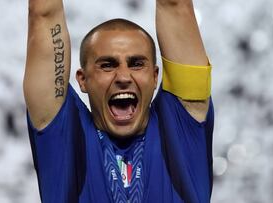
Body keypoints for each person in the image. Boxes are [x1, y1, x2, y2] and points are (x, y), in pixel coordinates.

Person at [23, 0, 214, 202]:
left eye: (137, 64)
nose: (123, 77)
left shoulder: (182, 126)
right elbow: (43, 15)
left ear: (155, 76)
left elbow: (175, 5)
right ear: (83, 79)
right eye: (107, 65)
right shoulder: (63, 136)